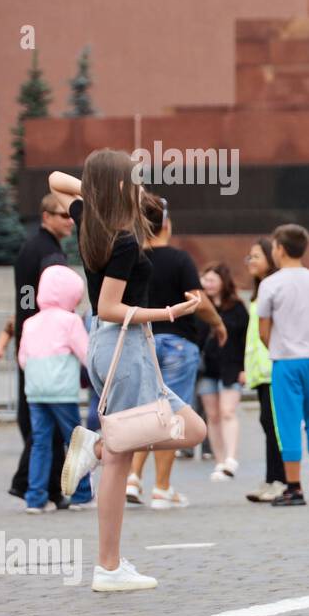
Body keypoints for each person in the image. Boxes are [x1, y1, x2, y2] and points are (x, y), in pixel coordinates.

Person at [51, 150, 208, 592]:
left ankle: (97, 448)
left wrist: (95, 193)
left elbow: (55, 178)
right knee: (123, 457)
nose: (137, 185)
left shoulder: (89, 218)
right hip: (123, 344)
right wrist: (169, 312)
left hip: (115, 347)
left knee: (191, 429)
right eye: (130, 180)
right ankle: (108, 565)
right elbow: (108, 306)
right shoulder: (119, 240)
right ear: (117, 185)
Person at [127, 193, 225, 508]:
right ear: (167, 224)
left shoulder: (134, 259)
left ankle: (133, 477)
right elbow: (198, 300)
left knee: (146, 413)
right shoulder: (180, 259)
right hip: (178, 345)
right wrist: (218, 323)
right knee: (172, 417)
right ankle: (162, 488)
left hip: (143, 343)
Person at [257, 223, 309, 507]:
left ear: (279, 248)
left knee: (289, 422)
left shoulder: (271, 284)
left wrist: (279, 346)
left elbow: (263, 330)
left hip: (287, 361)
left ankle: (294, 487)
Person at [9, 192, 73, 506]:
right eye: (63, 215)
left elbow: (24, 301)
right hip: (48, 348)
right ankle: (34, 484)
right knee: (52, 418)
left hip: (30, 343)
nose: (71, 220)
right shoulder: (49, 255)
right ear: (46, 216)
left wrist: (22, 328)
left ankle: (43, 486)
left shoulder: (29, 250)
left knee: (34, 415)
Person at [17, 265, 93, 513]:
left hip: (36, 391)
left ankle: (35, 498)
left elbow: (22, 359)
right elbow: (86, 354)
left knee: (40, 442)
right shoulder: (70, 321)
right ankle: (81, 494)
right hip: (62, 391)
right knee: (76, 442)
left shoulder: (30, 322)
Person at [243, 238, 286, 502]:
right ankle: (271, 478)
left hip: (272, 368)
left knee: (275, 426)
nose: (251, 261)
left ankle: (280, 479)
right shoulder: (260, 291)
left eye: (256, 256)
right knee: (266, 423)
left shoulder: (274, 289)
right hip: (260, 370)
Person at [198, 262, 248, 481]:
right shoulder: (198, 306)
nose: (207, 284)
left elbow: (246, 338)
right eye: (205, 279)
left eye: (212, 279)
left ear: (223, 282)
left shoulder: (237, 307)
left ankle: (231, 458)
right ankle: (219, 461)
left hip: (231, 366)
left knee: (228, 411)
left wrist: (245, 367)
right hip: (207, 368)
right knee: (213, 415)